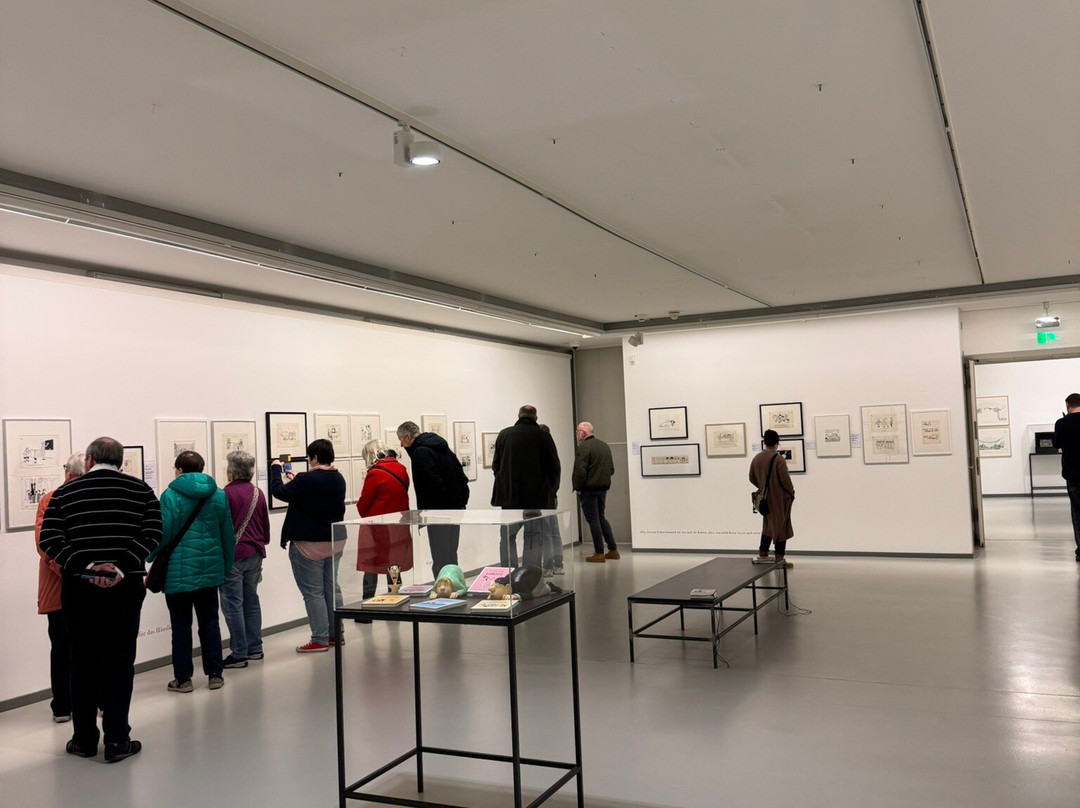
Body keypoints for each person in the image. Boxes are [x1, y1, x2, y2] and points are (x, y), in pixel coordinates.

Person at [38, 436, 162, 764]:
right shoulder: (141, 491)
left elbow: (49, 540)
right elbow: (153, 534)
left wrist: (87, 567)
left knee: (82, 660)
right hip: (125, 587)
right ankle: (118, 740)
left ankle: (84, 740)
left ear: (89, 459)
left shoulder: (65, 493)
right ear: (120, 462)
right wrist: (119, 567)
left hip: (79, 589)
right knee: (120, 661)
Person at [148, 450, 234, 693]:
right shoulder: (218, 494)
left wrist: (150, 556)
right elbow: (227, 533)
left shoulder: (170, 495)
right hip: (210, 570)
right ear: (202, 468)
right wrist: (226, 564)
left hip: (178, 573)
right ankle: (215, 674)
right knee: (210, 622)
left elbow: (163, 532)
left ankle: (183, 679)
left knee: (180, 626)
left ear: (178, 469)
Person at [270, 438, 347, 653]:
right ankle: (336, 634)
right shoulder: (338, 477)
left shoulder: (307, 480)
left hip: (309, 543)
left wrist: (275, 470)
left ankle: (319, 639)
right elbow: (313, 494)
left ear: (314, 458)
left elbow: (279, 492)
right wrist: (297, 480)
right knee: (332, 589)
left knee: (313, 593)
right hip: (335, 540)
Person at [33, 452, 85, 723]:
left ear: (67, 471)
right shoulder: (90, 498)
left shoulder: (49, 499)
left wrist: (65, 570)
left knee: (61, 648)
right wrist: (79, 573)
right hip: (88, 586)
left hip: (58, 589)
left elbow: (44, 545)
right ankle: (96, 701)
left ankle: (63, 707)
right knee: (91, 647)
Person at [396, 421, 470, 576]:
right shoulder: (440, 446)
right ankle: (454, 583)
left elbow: (432, 485)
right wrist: (460, 503)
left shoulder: (421, 452)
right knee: (451, 554)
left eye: (401, 440)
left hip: (437, 513)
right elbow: (461, 476)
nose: (401, 445)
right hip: (454, 510)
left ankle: (443, 587)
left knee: (440, 556)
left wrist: (432, 511)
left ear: (408, 437)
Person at [491, 405, 561, 567]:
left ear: (518, 416)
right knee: (533, 537)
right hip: (536, 497)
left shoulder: (504, 434)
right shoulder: (543, 436)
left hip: (509, 497)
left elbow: (496, 466)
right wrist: (551, 491)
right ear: (536, 418)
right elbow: (554, 467)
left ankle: (508, 572)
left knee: (507, 536)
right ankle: (530, 573)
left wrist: (505, 485)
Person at [220, 450, 271, 669]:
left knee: (233, 604)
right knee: (251, 601)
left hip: (233, 555)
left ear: (230, 471)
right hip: (255, 553)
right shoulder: (258, 493)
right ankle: (255, 648)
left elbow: (220, 527)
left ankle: (239, 653)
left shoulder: (225, 494)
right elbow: (265, 527)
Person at [355, 440, 412, 598]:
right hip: (398, 526)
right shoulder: (401, 468)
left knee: (371, 566)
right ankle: (395, 599)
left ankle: (367, 606)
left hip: (377, 527)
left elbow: (363, 505)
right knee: (393, 566)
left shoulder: (375, 473)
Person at [749, 429, 795, 568]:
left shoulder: (757, 458)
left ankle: (763, 554)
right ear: (777, 442)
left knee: (768, 526)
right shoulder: (778, 459)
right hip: (779, 499)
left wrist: (762, 487)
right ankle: (779, 559)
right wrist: (791, 492)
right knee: (781, 527)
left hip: (764, 498)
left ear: (765, 442)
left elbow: (751, 477)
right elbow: (785, 480)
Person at [573, 422, 618, 563]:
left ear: (583, 433)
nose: (576, 434)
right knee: (601, 517)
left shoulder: (584, 447)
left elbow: (580, 471)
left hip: (588, 490)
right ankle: (613, 550)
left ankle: (599, 553)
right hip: (602, 489)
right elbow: (611, 469)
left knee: (593, 520)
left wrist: (578, 487)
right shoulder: (604, 446)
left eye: (577, 431)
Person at [1052, 393, 1080, 561]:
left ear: (1068, 406)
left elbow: (1056, 444)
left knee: (1077, 513)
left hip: (1073, 474)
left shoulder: (1061, 423)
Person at [538, 424, 564, 576]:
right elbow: (556, 473)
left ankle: (548, 566)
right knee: (554, 531)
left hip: (545, 497)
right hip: (551, 496)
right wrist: (554, 492)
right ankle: (558, 564)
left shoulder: (542, 453)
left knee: (546, 532)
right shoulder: (552, 451)